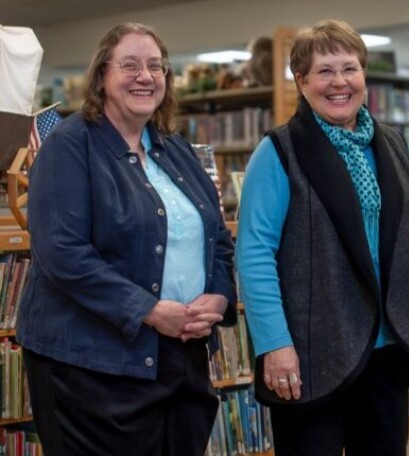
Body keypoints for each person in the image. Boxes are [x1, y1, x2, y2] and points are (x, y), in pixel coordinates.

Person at [17, 22, 237, 456]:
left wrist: (219, 297)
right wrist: (150, 311)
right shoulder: (69, 145)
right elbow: (63, 253)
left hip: (181, 359)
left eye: (155, 66)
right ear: (101, 77)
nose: (145, 76)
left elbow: (217, 236)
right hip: (92, 369)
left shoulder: (175, 149)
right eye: (130, 65)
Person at [234, 19, 409, 456]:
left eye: (349, 68)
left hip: (387, 347)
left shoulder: (393, 145)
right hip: (313, 350)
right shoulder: (278, 151)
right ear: (301, 80)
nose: (339, 82)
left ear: (364, 75)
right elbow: (255, 253)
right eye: (324, 71)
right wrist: (274, 344)